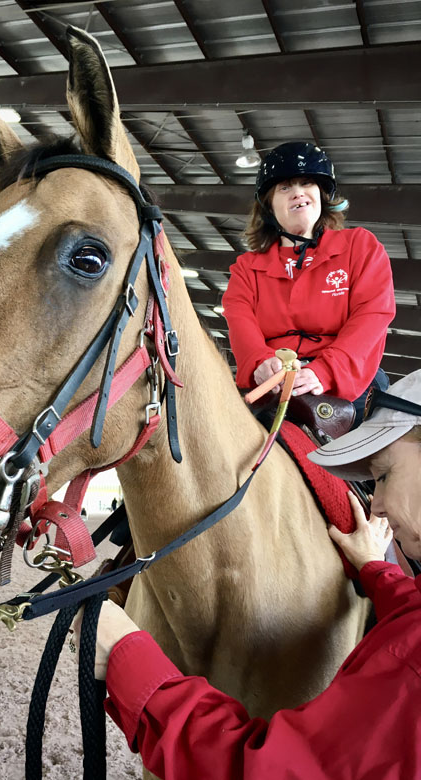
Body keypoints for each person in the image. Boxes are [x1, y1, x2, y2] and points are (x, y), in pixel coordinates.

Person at [70, 369, 421, 779]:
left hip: (330, 377)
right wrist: (378, 571)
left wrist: (127, 660)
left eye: (383, 475)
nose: (376, 505)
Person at [222, 141, 396, 425]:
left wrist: (325, 371)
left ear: (321, 195)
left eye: (307, 184)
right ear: (268, 205)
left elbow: (372, 315)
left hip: (349, 379)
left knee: (391, 452)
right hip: (272, 380)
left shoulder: (360, 246)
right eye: (285, 187)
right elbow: (239, 318)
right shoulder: (247, 268)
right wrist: (259, 362)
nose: (298, 193)